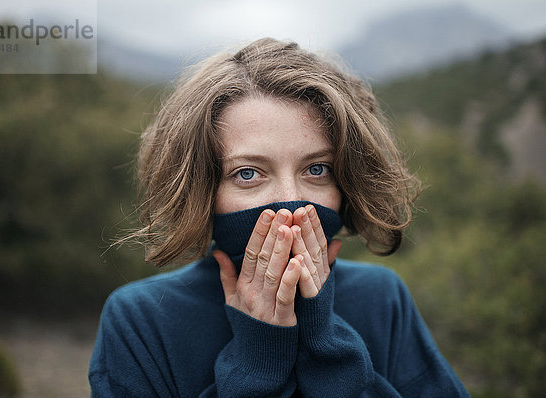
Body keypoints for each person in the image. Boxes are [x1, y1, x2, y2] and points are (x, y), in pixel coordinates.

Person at [89, 38, 470, 397]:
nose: (290, 202)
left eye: (317, 169)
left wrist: (329, 350)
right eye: (248, 173)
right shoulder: (142, 319)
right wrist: (255, 367)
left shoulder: (381, 299)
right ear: (202, 189)